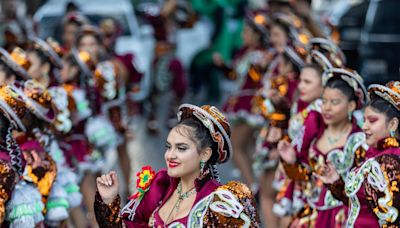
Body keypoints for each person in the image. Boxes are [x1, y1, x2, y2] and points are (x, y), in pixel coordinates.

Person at [94, 104, 260, 227]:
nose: (170, 155)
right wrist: (109, 201)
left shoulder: (221, 202)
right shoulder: (160, 185)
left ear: (205, 154)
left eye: (181, 148)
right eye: (169, 147)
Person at [279, 68, 368, 227]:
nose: (326, 108)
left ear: (351, 106)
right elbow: (304, 179)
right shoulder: (315, 132)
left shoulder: (359, 142)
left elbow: (363, 193)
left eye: (334, 102)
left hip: (340, 218)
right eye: (324, 101)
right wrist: (290, 162)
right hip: (310, 215)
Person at [318, 80, 400, 227]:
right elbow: (364, 205)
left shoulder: (389, 162)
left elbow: (392, 219)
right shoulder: (376, 154)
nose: (365, 127)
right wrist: (336, 183)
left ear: (393, 124)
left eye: (372, 121)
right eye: (364, 120)